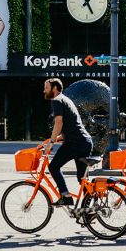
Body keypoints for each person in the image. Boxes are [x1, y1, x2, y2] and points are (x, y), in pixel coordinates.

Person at [43, 77, 93, 207]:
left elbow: (59, 122)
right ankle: (89, 209)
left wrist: (52, 142)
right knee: (82, 179)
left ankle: (65, 196)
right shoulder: (66, 100)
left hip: (75, 142)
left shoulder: (57, 100)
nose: (44, 90)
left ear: (55, 89)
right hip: (84, 141)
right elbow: (71, 125)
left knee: (53, 167)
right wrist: (55, 138)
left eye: (46, 88)